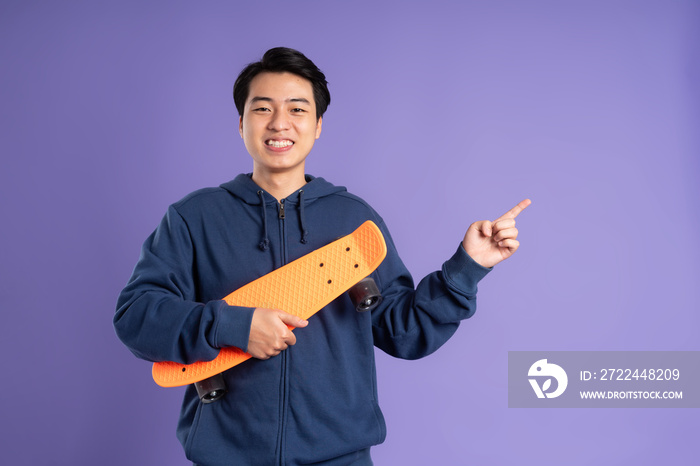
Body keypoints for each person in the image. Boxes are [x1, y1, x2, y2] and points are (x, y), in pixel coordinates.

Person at [114, 47, 530, 466]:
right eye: (262, 109)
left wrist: (468, 266)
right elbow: (137, 317)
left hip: (340, 458)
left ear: (317, 127)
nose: (279, 123)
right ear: (241, 123)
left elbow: (404, 331)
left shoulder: (353, 219)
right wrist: (235, 325)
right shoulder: (194, 218)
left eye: (297, 109)